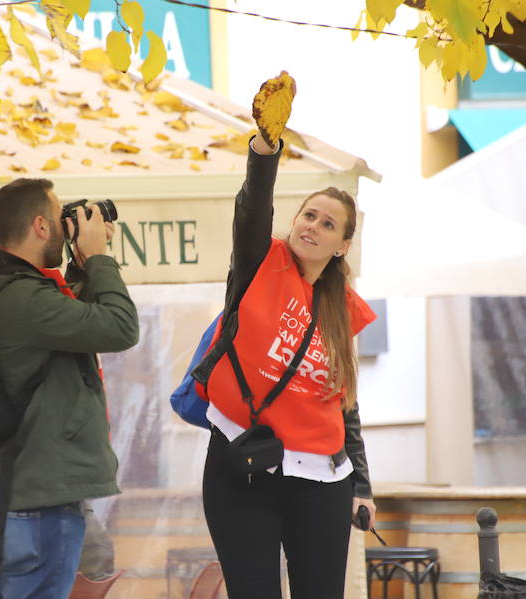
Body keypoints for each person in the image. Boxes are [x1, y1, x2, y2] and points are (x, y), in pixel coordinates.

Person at [196, 84, 377, 599]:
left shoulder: (343, 311)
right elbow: (252, 208)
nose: (313, 226)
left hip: (322, 479)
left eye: (328, 224)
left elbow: (345, 406)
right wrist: (265, 150)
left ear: (342, 245)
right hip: (242, 463)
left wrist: (361, 485)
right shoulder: (260, 262)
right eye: (308, 215)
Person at [0, 178, 139, 599]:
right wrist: (99, 259)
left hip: (11, 498)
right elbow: (120, 327)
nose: (66, 229)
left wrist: (81, 266)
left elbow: (69, 323)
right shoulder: (22, 298)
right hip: (36, 505)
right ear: (41, 227)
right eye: (58, 218)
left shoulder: (0, 288)